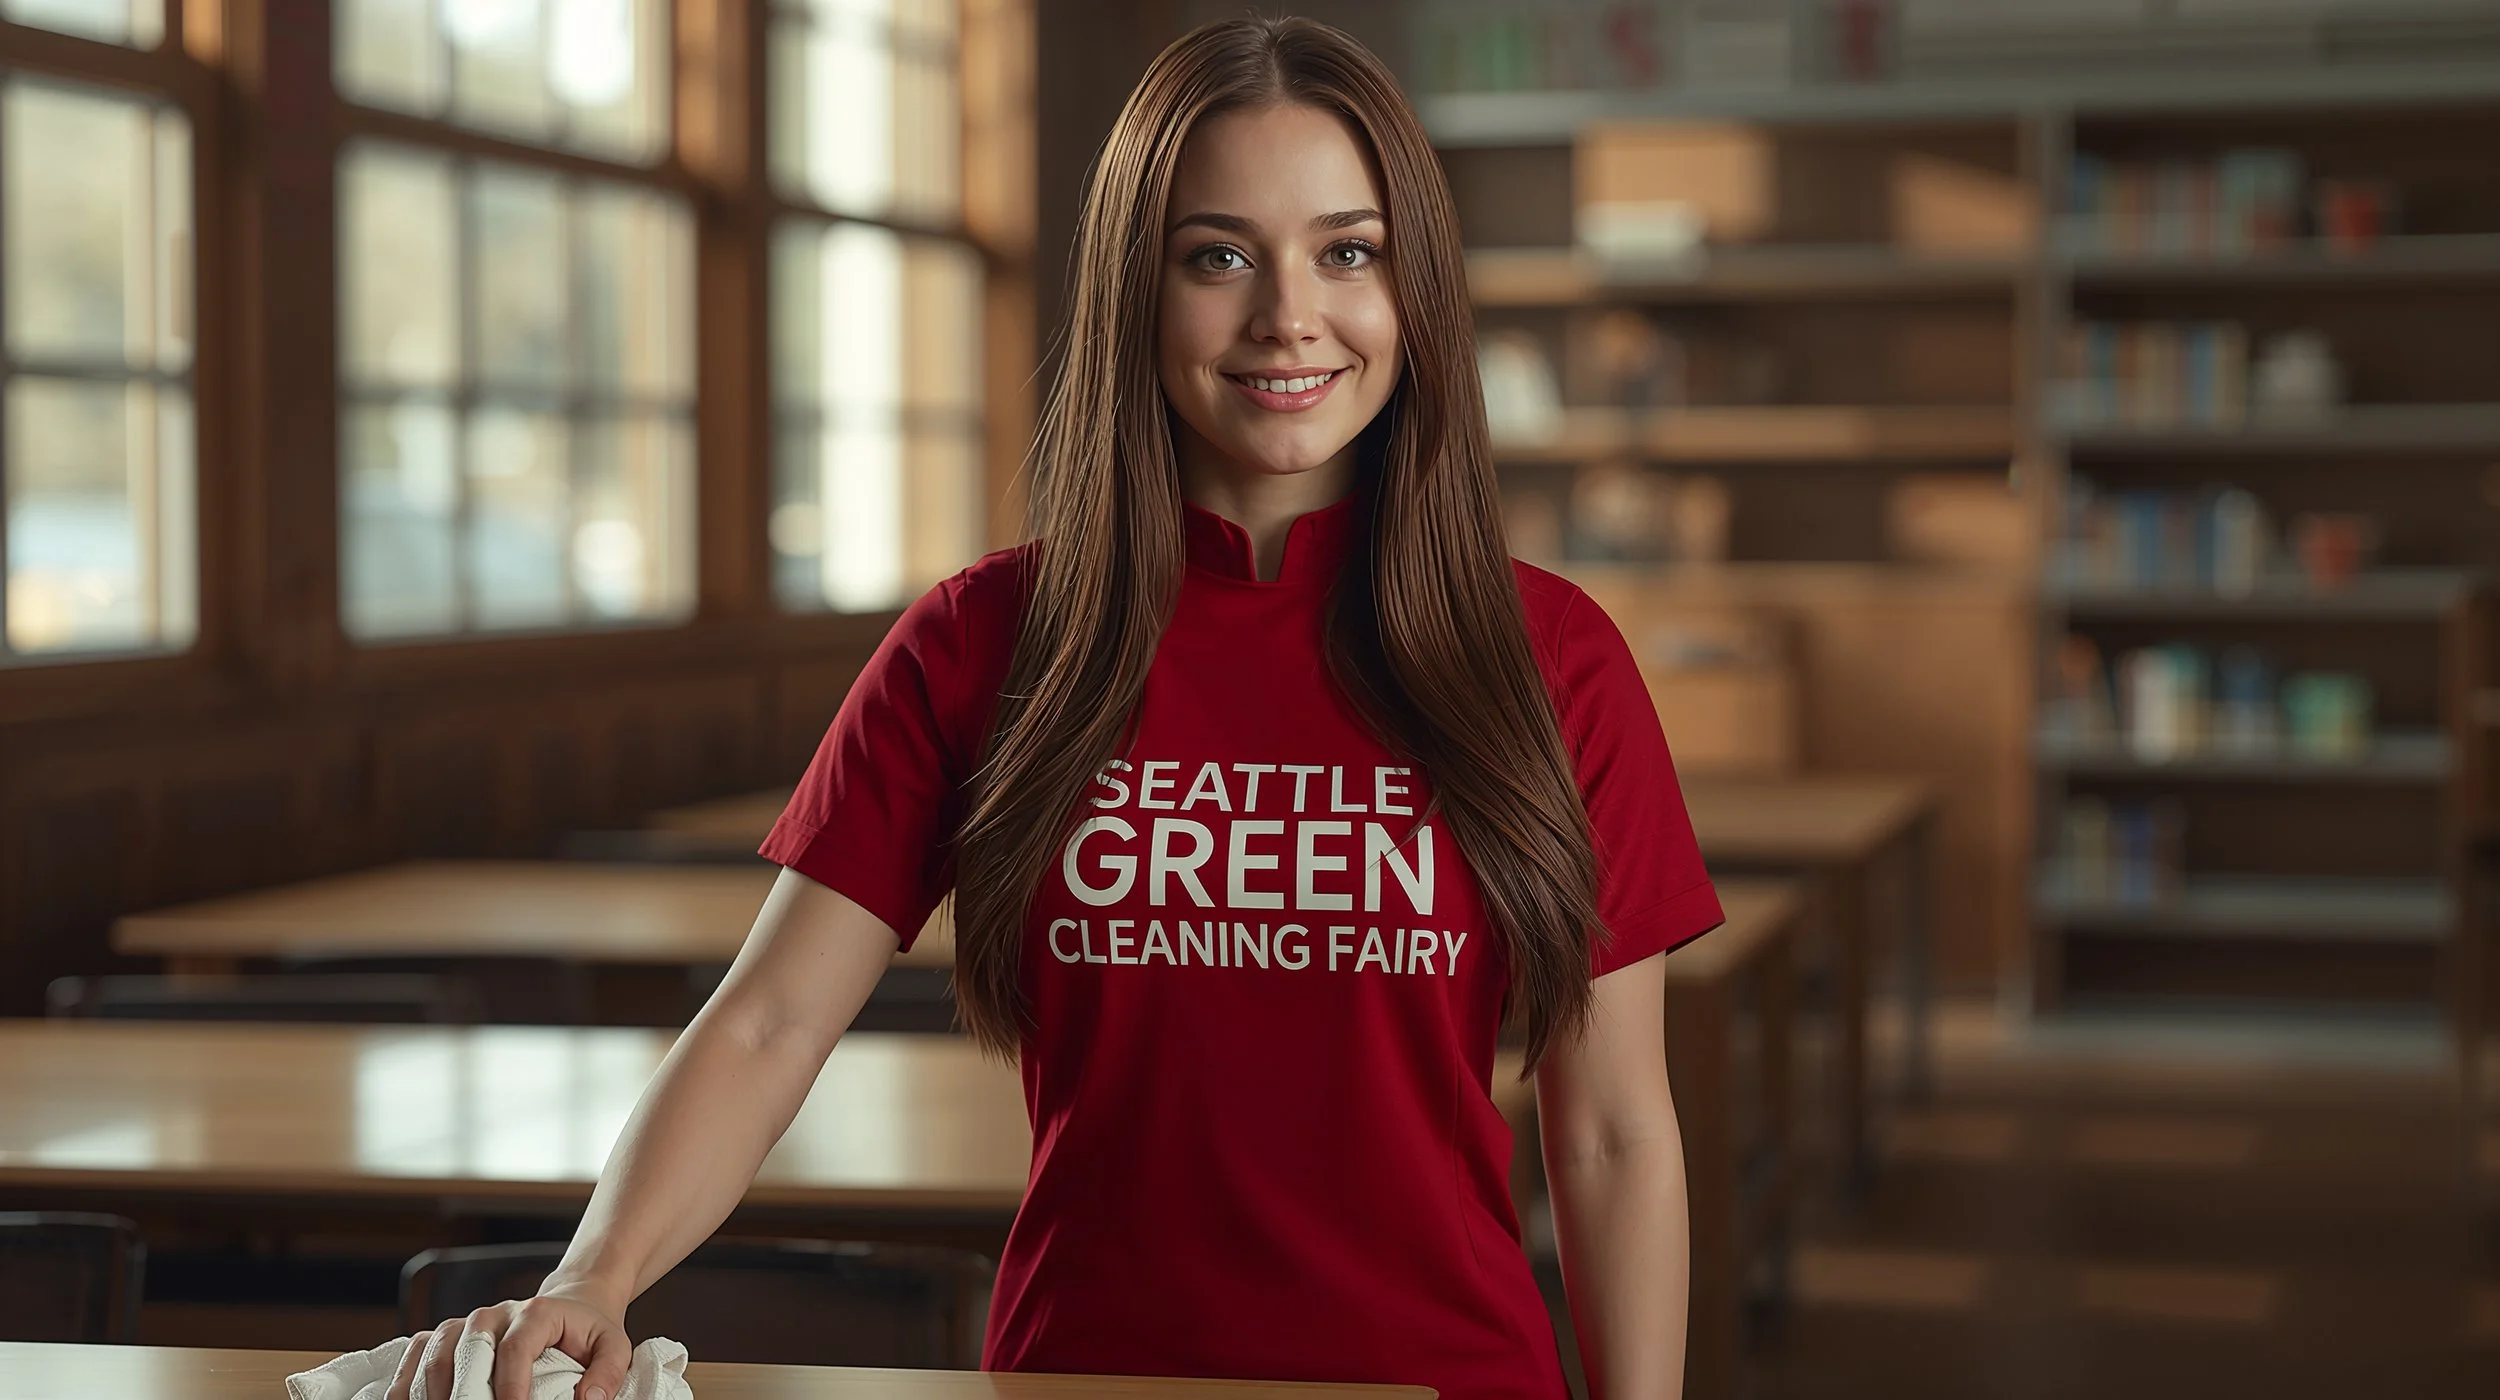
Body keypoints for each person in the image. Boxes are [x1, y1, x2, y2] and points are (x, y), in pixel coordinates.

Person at [391, 17, 1722, 1400]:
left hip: (1447, 1380)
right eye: (1218, 257)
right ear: (1136, 289)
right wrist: (594, 1277)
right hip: (1081, 1378)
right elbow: (769, 1023)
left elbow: (1615, 1130)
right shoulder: (979, 642)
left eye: (1348, 252)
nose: (1287, 315)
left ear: (1416, 287)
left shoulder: (1550, 657)